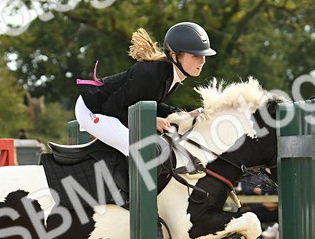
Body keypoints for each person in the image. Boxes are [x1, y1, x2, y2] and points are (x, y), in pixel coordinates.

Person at [74, 22, 214, 156]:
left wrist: (186, 115)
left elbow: (154, 105)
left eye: (203, 55)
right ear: (174, 56)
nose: (202, 61)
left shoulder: (170, 76)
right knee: (138, 150)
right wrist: (151, 121)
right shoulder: (150, 75)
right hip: (92, 108)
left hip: (108, 109)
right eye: (196, 55)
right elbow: (110, 108)